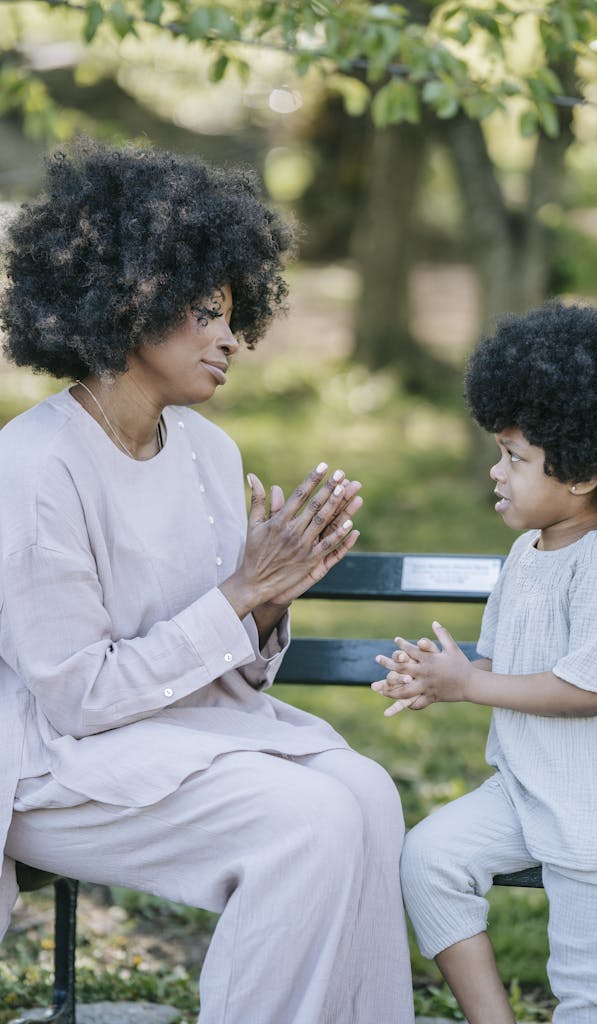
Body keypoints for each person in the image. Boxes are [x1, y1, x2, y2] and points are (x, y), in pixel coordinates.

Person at [0, 138, 415, 1024]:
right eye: (205, 311)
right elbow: (74, 698)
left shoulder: (210, 450)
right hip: (55, 767)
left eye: (234, 315)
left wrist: (266, 606)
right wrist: (233, 599)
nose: (232, 338)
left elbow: (232, 667)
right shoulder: (35, 466)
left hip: (181, 737)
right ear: (130, 296)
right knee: (308, 822)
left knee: (369, 796)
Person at [371, 300, 597, 1024]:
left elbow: (589, 691)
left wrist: (472, 684)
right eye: (500, 450)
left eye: (516, 456)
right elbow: (495, 662)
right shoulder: (524, 554)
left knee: (590, 990)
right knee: (429, 860)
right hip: (531, 789)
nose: (496, 469)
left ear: (579, 474)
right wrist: (438, 677)